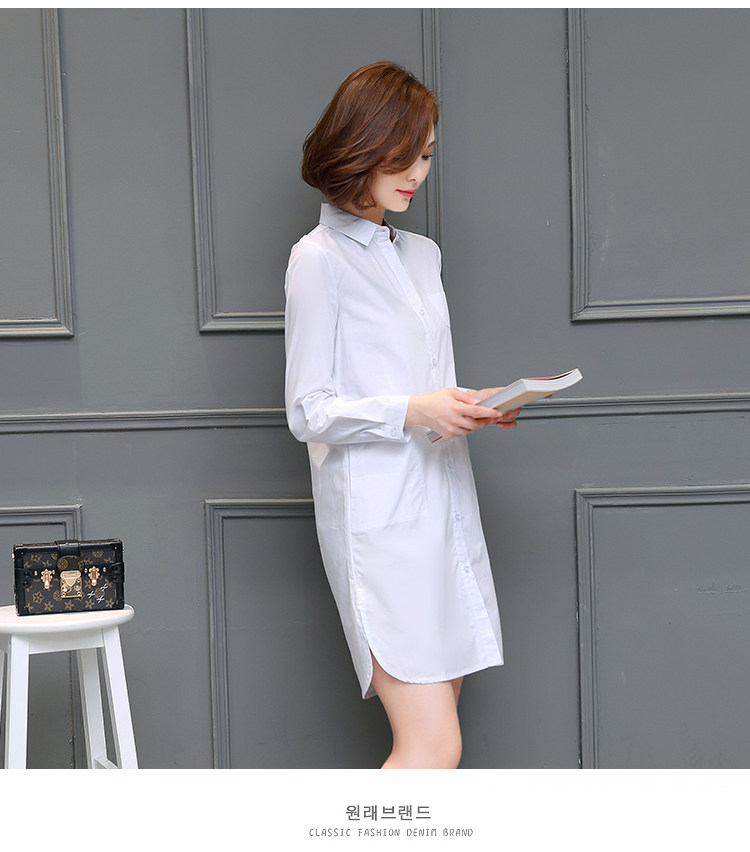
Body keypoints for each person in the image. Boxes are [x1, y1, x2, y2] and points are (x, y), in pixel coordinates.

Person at [284, 62, 520, 769]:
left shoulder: (421, 256)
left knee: (438, 740)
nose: (418, 172)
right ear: (361, 145)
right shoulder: (318, 260)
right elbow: (308, 411)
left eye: (427, 155)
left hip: (443, 505)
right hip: (378, 522)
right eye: (404, 154)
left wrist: (469, 407)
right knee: (431, 744)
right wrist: (416, 410)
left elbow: (423, 385)